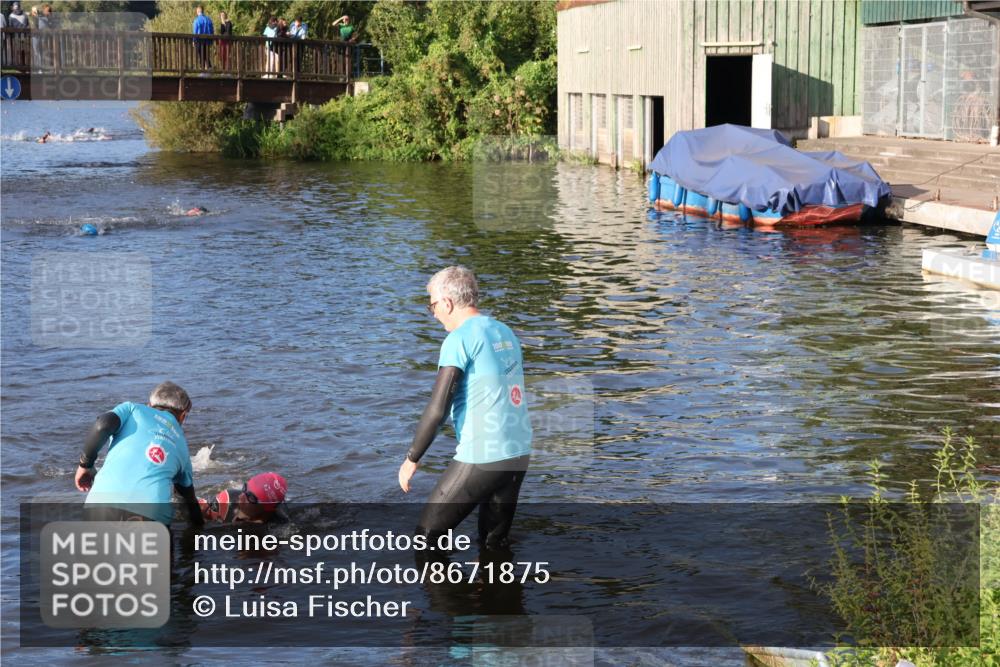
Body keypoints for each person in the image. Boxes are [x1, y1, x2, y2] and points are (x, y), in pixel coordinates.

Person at [399, 266, 532, 550]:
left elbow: (438, 409)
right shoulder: (504, 331)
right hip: (519, 451)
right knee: (493, 544)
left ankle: (449, 594)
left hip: (484, 454)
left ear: (447, 303)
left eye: (432, 304)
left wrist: (412, 459)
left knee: (425, 540)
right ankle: (491, 593)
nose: (433, 312)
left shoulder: (458, 339)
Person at [76, 381, 204, 527]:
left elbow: (102, 425)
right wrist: (199, 531)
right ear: (183, 416)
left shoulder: (132, 409)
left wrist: (86, 464)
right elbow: (188, 502)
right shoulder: (182, 447)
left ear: (149, 404)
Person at [199, 472, 288, 524]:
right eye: (245, 488)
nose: (241, 496)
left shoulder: (279, 528)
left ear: (267, 508)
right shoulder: (226, 502)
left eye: (250, 497)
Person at [192, 5, 213, 71]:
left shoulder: (197, 20)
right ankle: (209, 68)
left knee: (201, 55)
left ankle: (203, 70)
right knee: (206, 55)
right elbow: (212, 30)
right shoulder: (208, 19)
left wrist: (193, 40)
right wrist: (211, 40)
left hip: (199, 41)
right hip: (207, 41)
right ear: (203, 11)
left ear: (198, 11)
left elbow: (195, 31)